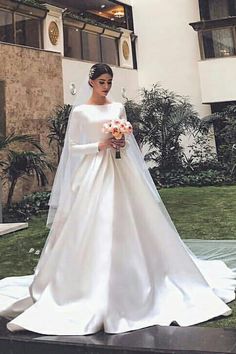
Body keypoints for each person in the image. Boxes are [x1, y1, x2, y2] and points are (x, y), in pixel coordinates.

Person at [0, 63, 235, 336]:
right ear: (90, 82)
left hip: (120, 171)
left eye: (109, 81)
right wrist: (100, 145)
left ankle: (143, 279)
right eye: (101, 81)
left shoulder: (117, 108)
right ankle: (82, 286)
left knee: (132, 219)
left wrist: (120, 141)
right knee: (93, 223)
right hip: (92, 174)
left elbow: (127, 143)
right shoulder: (80, 112)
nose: (106, 86)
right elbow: (73, 148)